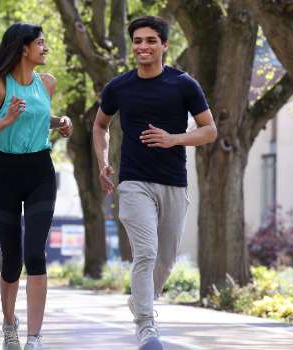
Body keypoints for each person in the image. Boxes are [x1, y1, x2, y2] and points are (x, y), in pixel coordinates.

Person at [92, 16, 217, 350]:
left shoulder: (183, 84)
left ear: (164, 45)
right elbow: (99, 125)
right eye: (137, 41)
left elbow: (209, 130)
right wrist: (104, 163)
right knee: (145, 252)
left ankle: (140, 300)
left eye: (150, 41)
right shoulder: (118, 87)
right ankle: (146, 327)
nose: (142, 47)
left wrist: (173, 139)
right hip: (134, 182)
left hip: (174, 183)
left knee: (165, 260)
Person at [0, 22, 72, 350]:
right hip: (5, 174)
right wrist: (6, 120)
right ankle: (9, 323)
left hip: (40, 170)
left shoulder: (48, 83)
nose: (46, 48)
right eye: (40, 43)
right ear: (23, 48)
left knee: (35, 253)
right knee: (12, 258)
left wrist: (61, 122)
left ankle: (34, 338)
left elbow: (40, 116)